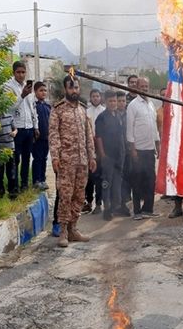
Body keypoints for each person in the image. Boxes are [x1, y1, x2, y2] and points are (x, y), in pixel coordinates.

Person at [48, 75, 97, 248]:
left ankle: (73, 229)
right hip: (66, 162)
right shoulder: (58, 110)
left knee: (79, 196)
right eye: (71, 87)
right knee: (65, 196)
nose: (74, 90)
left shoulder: (83, 109)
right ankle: (62, 231)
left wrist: (92, 156)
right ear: (65, 89)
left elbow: (88, 137)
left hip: (82, 161)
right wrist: (55, 157)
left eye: (76, 87)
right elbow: (53, 135)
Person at [126, 77, 160, 219]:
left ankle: (148, 209)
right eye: (142, 86)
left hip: (150, 149)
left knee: (150, 180)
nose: (145, 88)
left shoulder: (151, 104)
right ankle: (137, 211)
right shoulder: (133, 105)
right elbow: (129, 130)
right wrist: (133, 150)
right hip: (138, 150)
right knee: (137, 181)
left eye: (146, 86)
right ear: (137, 88)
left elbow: (154, 128)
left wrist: (157, 145)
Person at [4, 61, 38, 192]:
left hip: (28, 127)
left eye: (23, 72)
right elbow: (9, 107)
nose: (21, 75)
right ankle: (14, 186)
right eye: (18, 72)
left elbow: (33, 109)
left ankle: (24, 184)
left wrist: (36, 126)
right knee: (14, 159)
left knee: (26, 158)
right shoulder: (8, 87)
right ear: (13, 73)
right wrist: (22, 95)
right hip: (16, 128)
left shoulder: (29, 88)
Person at [95, 90, 127, 220]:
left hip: (119, 155)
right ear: (105, 101)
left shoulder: (118, 115)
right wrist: (102, 154)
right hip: (107, 155)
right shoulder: (102, 117)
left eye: (115, 101)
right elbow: (99, 137)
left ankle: (115, 207)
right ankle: (107, 209)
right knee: (106, 183)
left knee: (117, 183)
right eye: (111, 101)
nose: (113, 103)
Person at [84, 88, 104, 213]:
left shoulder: (104, 112)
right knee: (89, 177)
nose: (95, 98)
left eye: (97, 96)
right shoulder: (86, 112)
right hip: (89, 148)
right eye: (93, 96)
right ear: (90, 98)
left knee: (100, 177)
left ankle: (98, 203)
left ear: (100, 97)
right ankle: (89, 201)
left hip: (101, 147)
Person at [31, 82, 51, 190]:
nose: (43, 92)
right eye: (41, 90)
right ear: (35, 92)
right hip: (37, 138)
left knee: (44, 158)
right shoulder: (34, 105)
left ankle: (43, 179)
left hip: (46, 138)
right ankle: (36, 180)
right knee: (37, 158)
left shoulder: (48, 106)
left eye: (45, 90)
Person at [0, 109, 17, 199]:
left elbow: (15, 129)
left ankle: (12, 191)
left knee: (11, 170)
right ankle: (0, 190)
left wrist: (14, 133)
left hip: (10, 147)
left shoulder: (9, 116)